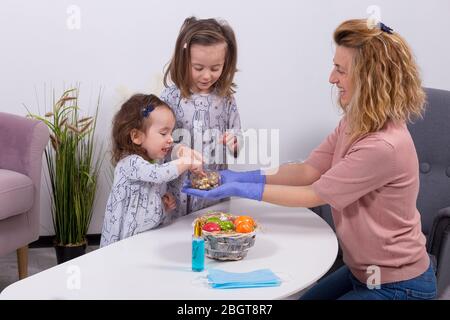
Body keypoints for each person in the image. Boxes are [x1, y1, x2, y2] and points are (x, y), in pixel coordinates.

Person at [182, 19, 437, 300]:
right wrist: (241, 176)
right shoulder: (356, 121)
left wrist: (241, 189)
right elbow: (308, 171)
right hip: (360, 272)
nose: (331, 78)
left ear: (369, 78)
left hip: (400, 285)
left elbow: (314, 193)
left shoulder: (383, 146)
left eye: (340, 70)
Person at [160, 16, 242, 220]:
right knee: (177, 236)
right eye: (198, 68)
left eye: (215, 68)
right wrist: (177, 150)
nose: (207, 76)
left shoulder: (225, 99)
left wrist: (234, 141)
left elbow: (237, 135)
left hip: (212, 189)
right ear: (183, 60)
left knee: (210, 230)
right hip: (178, 188)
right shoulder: (171, 97)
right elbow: (157, 143)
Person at [100, 94, 203, 247]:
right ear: (136, 136)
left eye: (171, 133)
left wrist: (162, 208)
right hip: (124, 245)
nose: (170, 139)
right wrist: (185, 162)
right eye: (163, 133)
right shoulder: (130, 163)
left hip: (145, 239)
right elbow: (159, 174)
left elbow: (141, 211)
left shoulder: (152, 161)